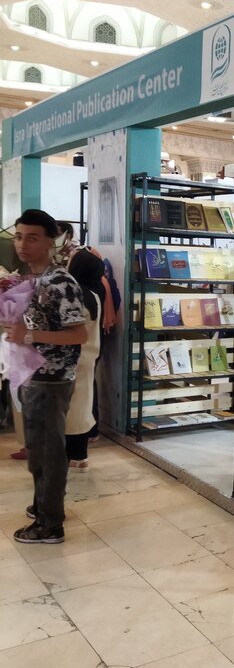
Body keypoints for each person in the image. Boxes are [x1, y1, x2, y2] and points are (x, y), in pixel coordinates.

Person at [6, 209, 87, 544]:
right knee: (38, 450)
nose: (22, 244)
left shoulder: (59, 282)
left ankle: (50, 524)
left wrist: (28, 336)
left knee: (48, 453)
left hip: (51, 380)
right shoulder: (35, 279)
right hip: (34, 374)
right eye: (18, 236)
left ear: (50, 241)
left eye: (32, 237)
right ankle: (44, 504)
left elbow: (78, 334)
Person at [64, 249, 103, 468]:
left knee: (70, 410)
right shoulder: (94, 296)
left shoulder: (72, 296)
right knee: (82, 406)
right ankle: (80, 455)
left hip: (72, 359)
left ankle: (70, 456)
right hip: (88, 358)